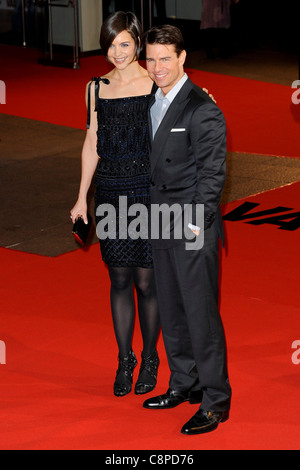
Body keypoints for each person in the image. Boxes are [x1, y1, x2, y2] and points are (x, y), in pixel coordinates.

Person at [142, 25, 232, 435]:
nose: (157, 66)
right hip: (158, 220)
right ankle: (184, 382)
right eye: (152, 58)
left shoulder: (203, 109)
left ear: (182, 59)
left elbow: (212, 180)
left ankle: (215, 400)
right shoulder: (151, 101)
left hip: (191, 226)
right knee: (172, 310)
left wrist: (191, 231)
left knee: (201, 315)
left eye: (166, 58)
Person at [70, 12, 161, 398]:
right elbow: (92, 142)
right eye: (111, 44)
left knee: (146, 281)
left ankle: (151, 357)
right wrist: (80, 198)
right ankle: (125, 359)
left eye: (125, 43)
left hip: (147, 190)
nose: (117, 52)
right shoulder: (96, 88)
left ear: (138, 42)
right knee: (119, 278)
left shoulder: (156, 82)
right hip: (110, 191)